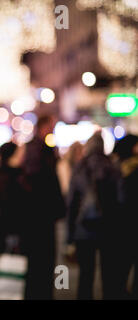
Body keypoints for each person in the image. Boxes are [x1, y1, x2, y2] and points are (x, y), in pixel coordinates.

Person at [66, 132, 123, 299]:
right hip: (109, 229)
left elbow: (71, 204)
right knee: (109, 276)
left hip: (84, 228)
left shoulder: (80, 167)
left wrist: (69, 237)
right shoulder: (112, 166)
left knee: (86, 275)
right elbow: (121, 200)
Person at [22, 113, 65, 300]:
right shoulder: (37, 149)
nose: (53, 129)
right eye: (51, 125)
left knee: (43, 262)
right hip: (39, 216)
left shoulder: (43, 148)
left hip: (41, 215)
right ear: (42, 126)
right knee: (42, 261)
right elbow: (38, 182)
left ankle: (41, 292)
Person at [112, 134, 138, 299]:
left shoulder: (113, 168)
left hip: (118, 226)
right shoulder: (132, 169)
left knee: (120, 270)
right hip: (130, 225)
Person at [0, 142, 26, 257]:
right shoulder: (11, 177)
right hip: (12, 229)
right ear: (12, 156)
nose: (23, 156)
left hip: (6, 226)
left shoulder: (3, 174)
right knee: (12, 266)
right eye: (19, 153)